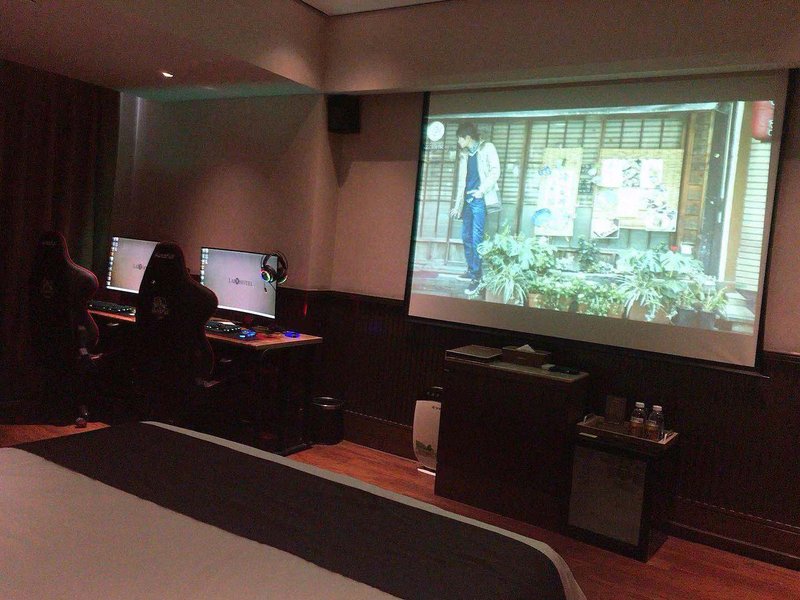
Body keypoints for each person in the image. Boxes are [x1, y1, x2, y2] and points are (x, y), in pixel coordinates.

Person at [450, 122, 501, 294]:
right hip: (467, 200)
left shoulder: (487, 148)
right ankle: (471, 270)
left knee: (476, 238)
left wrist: (481, 191)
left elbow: (495, 171)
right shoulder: (465, 154)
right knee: (466, 236)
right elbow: (462, 182)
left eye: (459, 138)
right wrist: (457, 205)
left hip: (479, 199)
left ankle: (477, 278)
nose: (458, 141)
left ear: (467, 138)